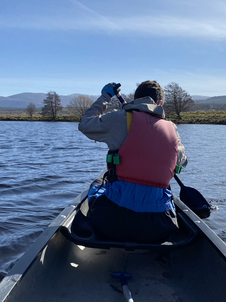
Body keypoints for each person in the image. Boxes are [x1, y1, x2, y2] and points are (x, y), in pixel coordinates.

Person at [78, 80, 188, 243]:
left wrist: (105, 97)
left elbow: (85, 124)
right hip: (160, 225)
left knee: (97, 183)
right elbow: (181, 163)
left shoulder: (119, 118)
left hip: (112, 221)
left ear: (135, 99)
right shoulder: (172, 128)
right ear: (160, 103)